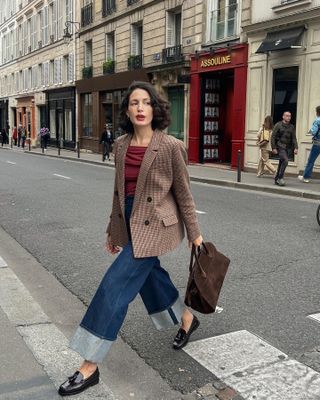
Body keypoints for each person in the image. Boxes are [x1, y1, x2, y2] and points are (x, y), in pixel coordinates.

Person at [58, 81, 203, 396]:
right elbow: (119, 191)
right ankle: (186, 318)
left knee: (115, 286)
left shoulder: (171, 146)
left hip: (155, 225)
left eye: (146, 102)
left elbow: (184, 194)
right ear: (126, 110)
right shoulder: (121, 144)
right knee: (150, 278)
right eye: (134, 102)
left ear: (155, 108)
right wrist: (113, 228)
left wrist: (195, 234)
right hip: (128, 218)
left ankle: (90, 365)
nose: (140, 108)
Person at [271, 111, 298, 186]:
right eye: (287, 116)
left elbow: (294, 138)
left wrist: (296, 147)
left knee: (282, 162)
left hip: (287, 148)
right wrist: (273, 147)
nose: (288, 117)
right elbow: (273, 137)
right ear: (283, 116)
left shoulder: (292, 127)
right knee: (285, 161)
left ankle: (276, 179)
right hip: (280, 146)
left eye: (289, 116)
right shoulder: (278, 125)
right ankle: (280, 178)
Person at [298, 105, 320, 183]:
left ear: (317, 112)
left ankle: (306, 177)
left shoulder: (317, 120)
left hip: (317, 143)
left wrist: (310, 131)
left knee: (311, 160)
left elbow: (314, 131)